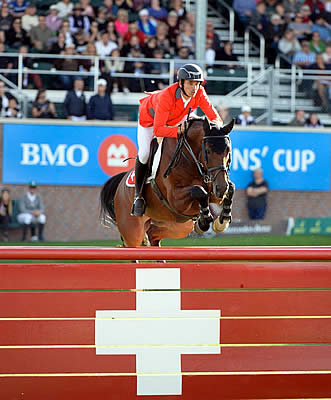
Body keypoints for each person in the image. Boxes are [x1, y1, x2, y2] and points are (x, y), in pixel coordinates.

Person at [131, 63, 223, 217]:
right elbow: (159, 130)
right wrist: (178, 130)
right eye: (190, 83)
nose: (194, 88)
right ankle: (138, 196)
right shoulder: (167, 97)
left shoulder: (199, 92)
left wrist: (217, 130)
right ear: (181, 83)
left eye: (197, 84)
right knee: (145, 153)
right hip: (150, 120)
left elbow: (214, 117)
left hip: (177, 117)